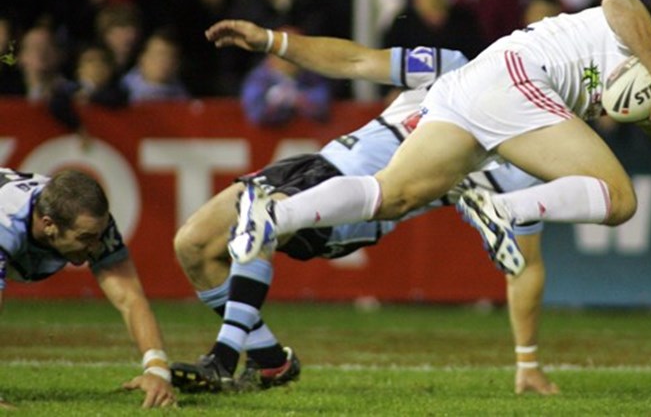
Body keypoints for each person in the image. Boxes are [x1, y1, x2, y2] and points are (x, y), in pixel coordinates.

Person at [223, 0, 651, 287]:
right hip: (517, 80)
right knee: (618, 198)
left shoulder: (642, 76)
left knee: (393, 194)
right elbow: (618, 0)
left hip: (474, 86)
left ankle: (275, 212)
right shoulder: (646, 39)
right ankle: (500, 207)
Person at [171, 22, 558, 395]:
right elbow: (357, 60)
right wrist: (271, 41)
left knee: (260, 221)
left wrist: (527, 361)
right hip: (317, 162)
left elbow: (526, 266)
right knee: (193, 244)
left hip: (357, 203)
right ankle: (270, 360)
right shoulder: (451, 66)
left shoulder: (520, 156)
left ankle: (222, 359)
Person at [0, 168, 176, 408]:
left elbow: (129, 298)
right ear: (49, 224)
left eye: (97, 236)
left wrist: (158, 370)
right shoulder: (6, 223)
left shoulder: (91, 224)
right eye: (85, 238)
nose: (95, 247)